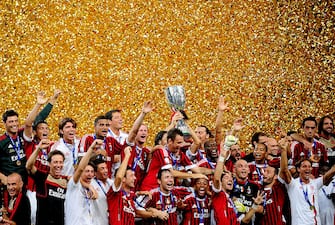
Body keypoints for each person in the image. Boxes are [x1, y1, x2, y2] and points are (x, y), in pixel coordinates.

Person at [279, 135, 335, 225]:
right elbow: (284, 170)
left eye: (309, 166)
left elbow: (331, 172)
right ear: (298, 169)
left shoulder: (315, 183)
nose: (307, 169)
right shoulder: (293, 184)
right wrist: (283, 150)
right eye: (304, 166)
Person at [0, 91, 48, 185]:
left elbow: (29, 123)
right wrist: (3, 178)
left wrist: (38, 104)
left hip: (26, 182)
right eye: (11, 122)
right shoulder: (1, 141)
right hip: (10, 185)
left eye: (16, 121)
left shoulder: (22, 134)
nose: (14, 124)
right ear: (4, 123)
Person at [140, 128, 210, 191]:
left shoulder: (180, 154)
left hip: (164, 190)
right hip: (150, 189)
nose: (181, 145)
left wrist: (213, 171)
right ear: (170, 141)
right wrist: (194, 175)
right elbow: (171, 173)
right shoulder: (162, 151)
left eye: (182, 142)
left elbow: (196, 169)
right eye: (178, 143)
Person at [26, 139, 67, 225]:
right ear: (49, 163)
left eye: (60, 162)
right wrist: (38, 149)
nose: (58, 165)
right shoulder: (42, 177)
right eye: (55, 162)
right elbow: (29, 166)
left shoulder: (66, 181)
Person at [64, 139, 103, 225]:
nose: (90, 174)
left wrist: (90, 187)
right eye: (87, 171)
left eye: (92, 172)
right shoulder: (73, 184)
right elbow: (80, 168)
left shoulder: (90, 188)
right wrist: (91, 148)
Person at [107, 146, 136, 225]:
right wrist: (127, 156)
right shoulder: (114, 193)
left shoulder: (132, 197)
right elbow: (119, 177)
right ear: (124, 179)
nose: (135, 178)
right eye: (131, 175)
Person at [91, 155, 112, 225]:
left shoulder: (111, 183)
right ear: (95, 173)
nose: (106, 170)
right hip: (97, 222)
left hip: (111, 221)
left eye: (106, 168)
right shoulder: (91, 184)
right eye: (102, 168)